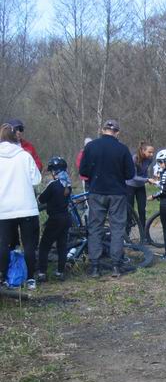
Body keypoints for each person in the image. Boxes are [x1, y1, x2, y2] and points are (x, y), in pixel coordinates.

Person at [78, 119, 135, 278]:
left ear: (103, 130)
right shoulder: (122, 149)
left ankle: (95, 267)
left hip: (97, 191)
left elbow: (83, 170)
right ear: (117, 132)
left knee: (95, 228)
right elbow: (130, 174)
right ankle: (116, 266)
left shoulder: (91, 146)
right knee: (117, 228)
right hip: (117, 192)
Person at [0, 123, 41, 289]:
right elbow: (36, 179)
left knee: (3, 244)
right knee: (29, 245)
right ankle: (30, 278)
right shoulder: (25, 156)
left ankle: (3, 277)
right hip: (26, 206)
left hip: (3, 209)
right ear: (15, 137)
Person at [36, 157, 72, 282]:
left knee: (44, 245)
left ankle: (42, 273)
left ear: (54, 171)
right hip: (66, 218)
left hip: (55, 219)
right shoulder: (68, 184)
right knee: (62, 246)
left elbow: (41, 199)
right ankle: (60, 272)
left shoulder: (53, 185)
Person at [127, 141, 154, 240]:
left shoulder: (149, 160)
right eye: (149, 152)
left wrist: (150, 178)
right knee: (129, 211)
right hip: (130, 186)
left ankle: (144, 235)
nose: (151, 154)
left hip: (140, 186)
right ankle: (127, 235)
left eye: (152, 152)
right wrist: (147, 179)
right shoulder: (134, 159)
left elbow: (144, 172)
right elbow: (133, 177)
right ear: (143, 151)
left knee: (142, 210)